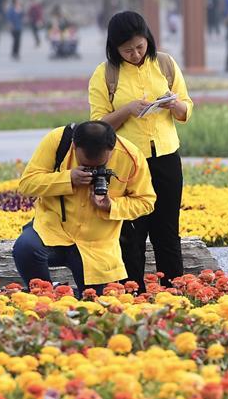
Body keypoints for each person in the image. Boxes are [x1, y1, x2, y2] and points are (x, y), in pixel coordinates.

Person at [88, 11, 194, 293]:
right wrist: (126, 110)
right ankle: (133, 294)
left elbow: (186, 108)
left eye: (140, 46)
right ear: (114, 48)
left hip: (166, 158)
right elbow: (97, 124)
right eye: (127, 50)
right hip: (127, 164)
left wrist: (175, 106)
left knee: (167, 232)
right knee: (131, 234)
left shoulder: (165, 64)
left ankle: (173, 291)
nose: (135, 54)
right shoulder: (105, 74)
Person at [13, 120, 156, 297]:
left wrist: (111, 205)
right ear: (74, 145)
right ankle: (45, 297)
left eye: (98, 166)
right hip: (53, 232)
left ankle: (66, 295)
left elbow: (146, 202)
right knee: (25, 247)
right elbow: (27, 185)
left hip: (96, 247)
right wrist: (68, 178)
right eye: (86, 165)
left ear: (112, 149)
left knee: (95, 306)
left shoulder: (131, 156)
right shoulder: (59, 141)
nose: (92, 170)